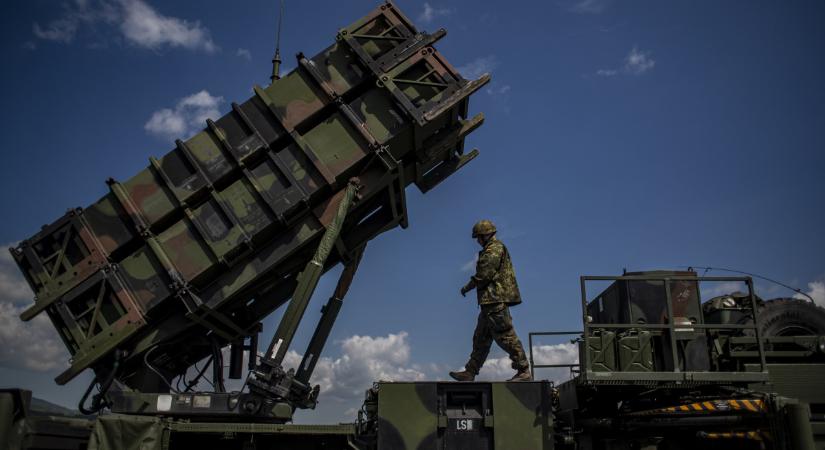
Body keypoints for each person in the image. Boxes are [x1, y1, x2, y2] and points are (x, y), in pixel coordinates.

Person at [449, 220, 531, 382]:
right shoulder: (490, 249)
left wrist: (468, 286)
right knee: (481, 338)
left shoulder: (494, 249)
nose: (477, 241)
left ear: (485, 235)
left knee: (505, 336)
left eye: (478, 237)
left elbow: (484, 274)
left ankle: (523, 370)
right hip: (489, 303)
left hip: (495, 301)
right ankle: (470, 372)